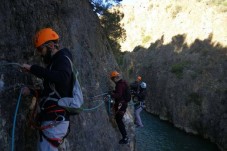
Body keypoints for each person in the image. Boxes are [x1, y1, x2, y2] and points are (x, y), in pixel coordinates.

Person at [22, 28, 73, 151]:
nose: (40, 53)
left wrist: (33, 68)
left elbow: (62, 78)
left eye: (40, 49)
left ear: (50, 45)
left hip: (55, 120)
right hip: (53, 119)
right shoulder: (55, 62)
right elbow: (51, 92)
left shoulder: (62, 58)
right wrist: (32, 92)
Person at [110, 71, 129, 144]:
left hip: (121, 104)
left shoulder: (119, 84)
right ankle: (125, 136)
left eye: (113, 79)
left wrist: (112, 94)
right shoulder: (123, 83)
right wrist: (114, 92)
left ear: (115, 78)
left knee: (119, 120)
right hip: (124, 104)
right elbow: (121, 92)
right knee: (119, 119)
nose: (113, 80)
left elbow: (119, 95)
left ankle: (125, 138)